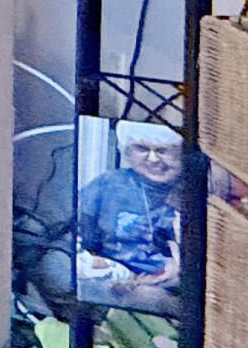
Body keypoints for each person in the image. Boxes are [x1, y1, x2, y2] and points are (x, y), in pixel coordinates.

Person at [77, 122, 184, 291]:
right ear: (128, 151)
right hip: (108, 280)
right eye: (142, 149)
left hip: (168, 288)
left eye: (163, 151)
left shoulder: (197, 191)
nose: (153, 159)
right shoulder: (108, 184)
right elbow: (79, 236)